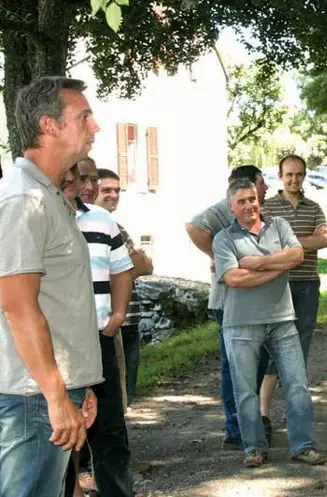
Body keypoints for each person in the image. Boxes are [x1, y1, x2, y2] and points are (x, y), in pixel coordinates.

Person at [0, 76, 101, 497]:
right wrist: (58, 398)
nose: (94, 128)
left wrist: (79, 383)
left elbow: (60, 298)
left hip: (48, 389)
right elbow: (19, 307)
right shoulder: (24, 199)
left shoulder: (50, 195)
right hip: (33, 396)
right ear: (49, 126)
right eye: (84, 117)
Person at [213, 178, 326, 467]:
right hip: (240, 325)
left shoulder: (279, 226)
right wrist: (277, 268)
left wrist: (257, 262)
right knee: (245, 389)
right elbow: (233, 278)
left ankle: (303, 445)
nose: (250, 205)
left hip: (282, 320)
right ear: (231, 206)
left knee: (297, 383)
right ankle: (254, 447)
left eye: (252, 198)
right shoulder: (223, 238)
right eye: (242, 201)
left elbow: (297, 254)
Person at [185, 165, 270, 449]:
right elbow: (193, 226)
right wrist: (219, 256)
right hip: (228, 302)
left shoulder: (259, 213)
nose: (266, 188)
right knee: (235, 366)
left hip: (256, 301)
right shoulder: (224, 208)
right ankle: (236, 430)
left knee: (256, 364)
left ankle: (250, 423)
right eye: (262, 183)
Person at [69, 158, 135, 497]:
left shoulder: (102, 220)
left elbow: (122, 269)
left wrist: (119, 315)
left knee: (109, 428)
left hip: (100, 338)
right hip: (60, 344)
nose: (91, 186)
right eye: (84, 178)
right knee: (62, 429)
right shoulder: (48, 216)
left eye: (95, 178)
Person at [259, 154, 327, 440]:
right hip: (276, 286)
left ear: (304, 176)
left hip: (307, 285)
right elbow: (262, 246)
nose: (294, 179)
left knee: (300, 350)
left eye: (299, 174)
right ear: (280, 176)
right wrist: (303, 245)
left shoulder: (313, 208)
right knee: (271, 348)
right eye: (289, 174)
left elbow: (326, 240)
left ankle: (294, 413)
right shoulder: (267, 207)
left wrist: (287, 247)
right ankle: (264, 414)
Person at [96, 168, 154, 406]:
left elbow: (146, 267)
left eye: (117, 190)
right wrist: (129, 262)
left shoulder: (118, 227)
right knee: (110, 393)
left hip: (130, 318)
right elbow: (121, 270)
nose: (113, 195)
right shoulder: (89, 225)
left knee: (126, 391)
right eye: (106, 190)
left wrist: (127, 265)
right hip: (109, 322)